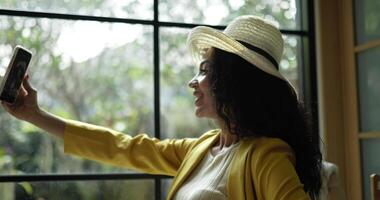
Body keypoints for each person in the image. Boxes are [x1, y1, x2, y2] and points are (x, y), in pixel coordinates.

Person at [1, 15, 322, 200]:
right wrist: (35, 116)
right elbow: (121, 148)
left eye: (205, 71)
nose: (193, 82)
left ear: (235, 82)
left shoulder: (267, 156)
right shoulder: (201, 149)